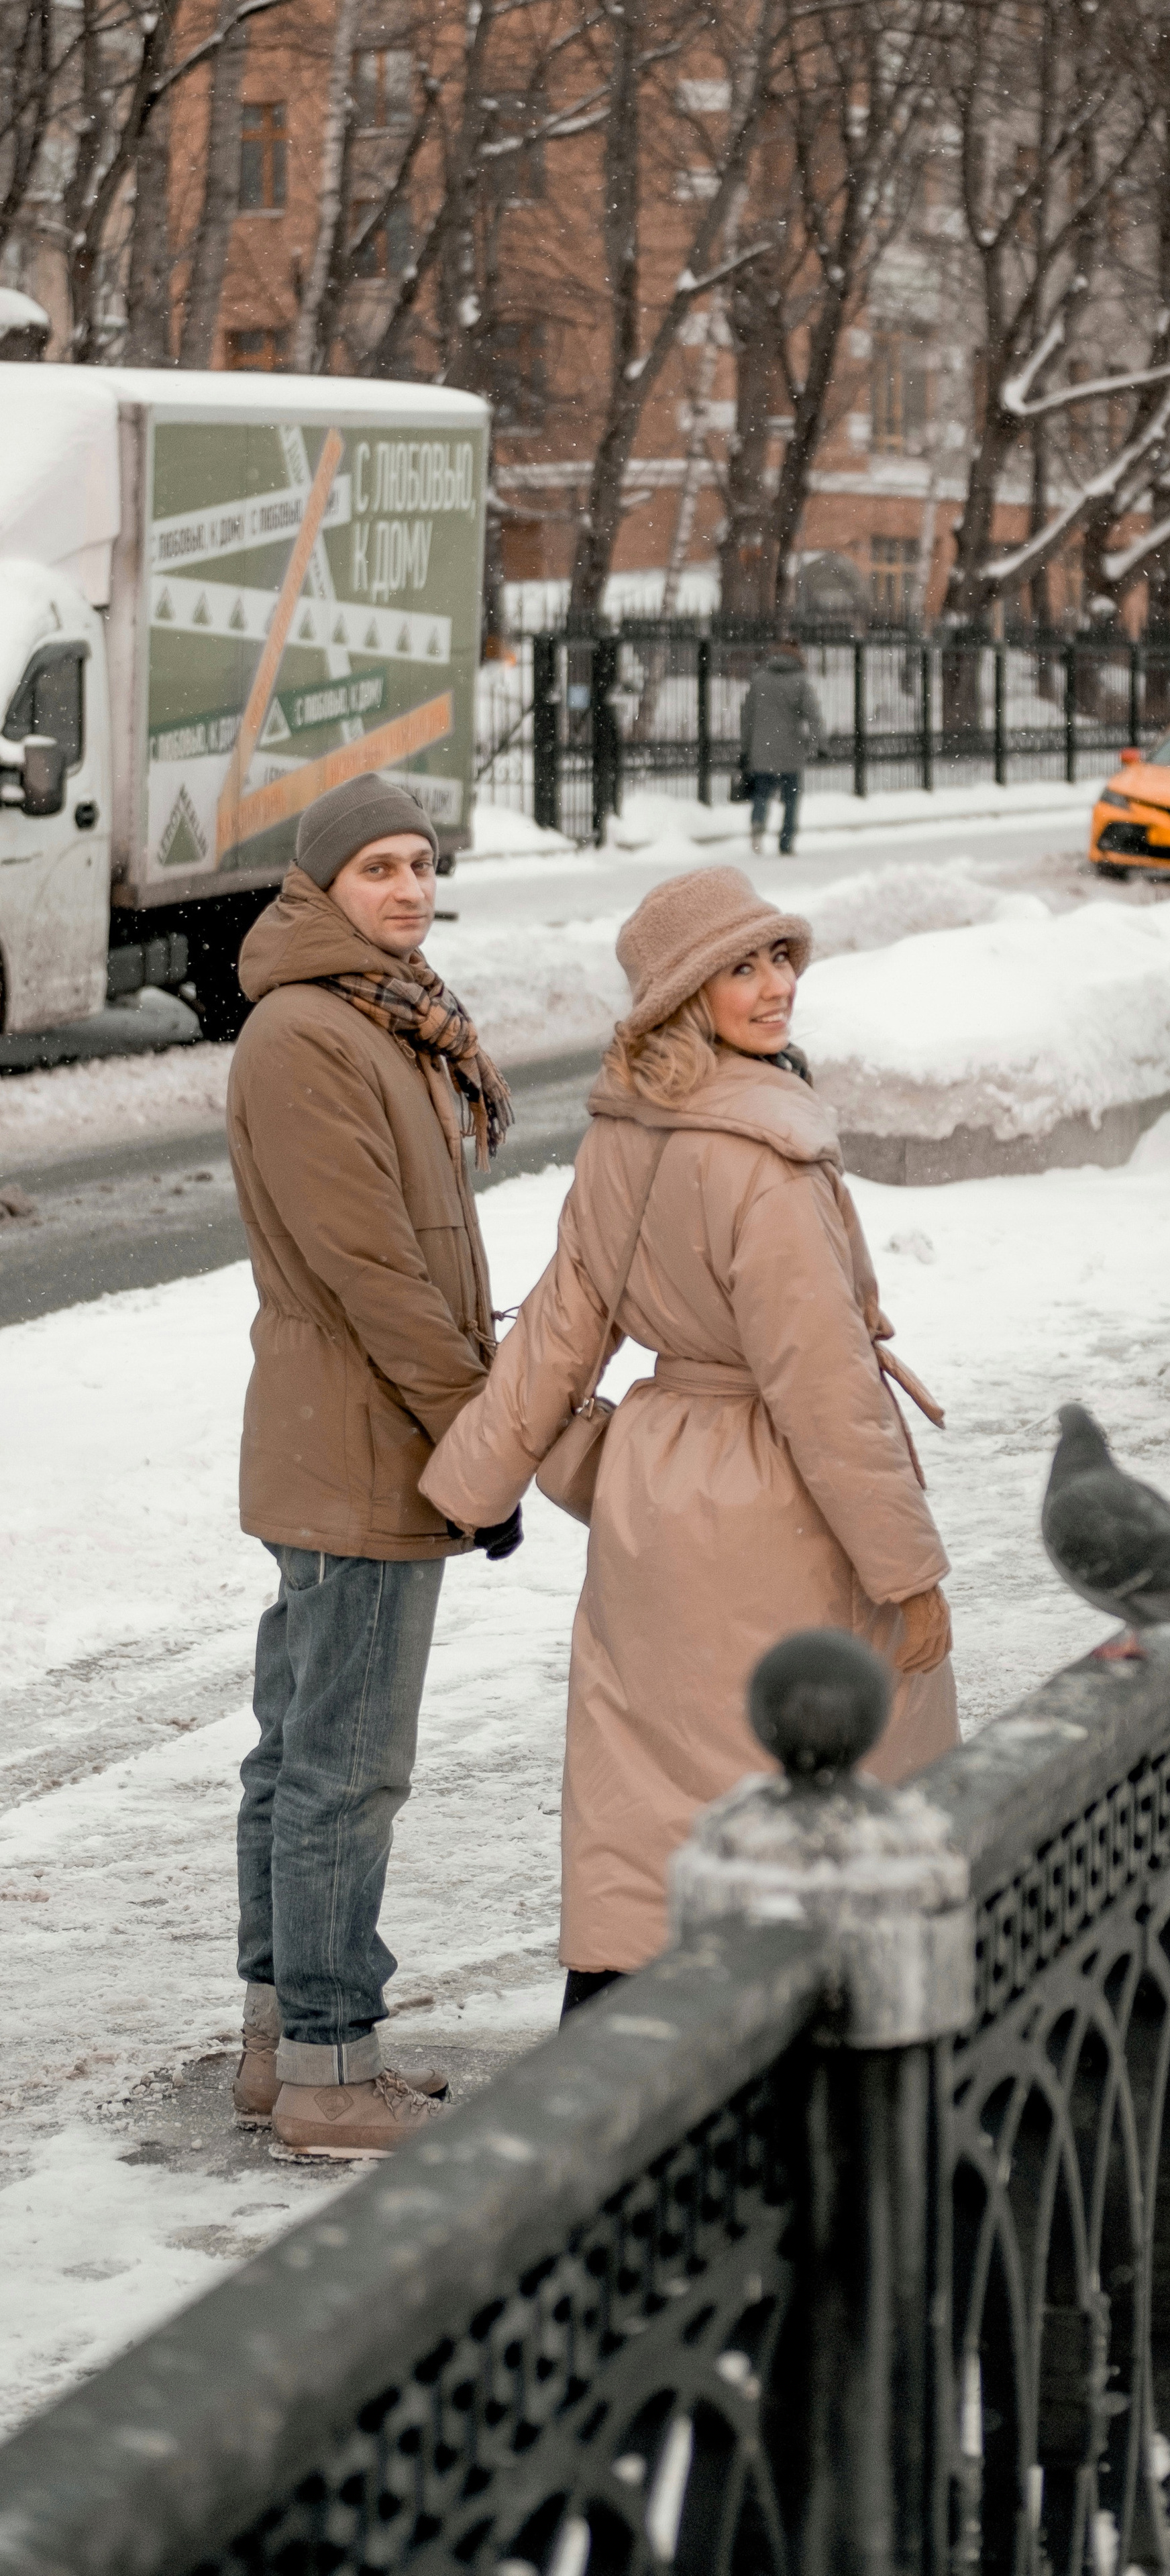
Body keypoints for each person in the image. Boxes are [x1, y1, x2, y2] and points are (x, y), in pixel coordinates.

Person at [422, 865, 957, 2012]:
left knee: (643, 1814)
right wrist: (908, 1574)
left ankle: (611, 2072)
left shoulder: (631, 1126)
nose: (775, 988)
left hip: (656, 1513)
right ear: (681, 993)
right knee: (810, 1803)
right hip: (778, 1515)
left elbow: (565, 1321)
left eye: (779, 960)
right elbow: (824, 1393)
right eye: (740, 968)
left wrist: (477, 1477)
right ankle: (811, 2061)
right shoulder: (761, 1154)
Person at [225, 774, 521, 2159]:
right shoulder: (305, 1034)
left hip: (362, 1429)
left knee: (300, 1751)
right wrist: (481, 1435)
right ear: (321, 886)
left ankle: (281, 2043)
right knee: (343, 1766)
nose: (407, 890)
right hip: (359, 1438)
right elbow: (373, 1272)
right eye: (378, 870)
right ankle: (331, 2072)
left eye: (422, 865)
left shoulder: (379, 1017)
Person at [739, 641, 825, 855]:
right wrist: (820, 743)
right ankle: (786, 841)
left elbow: (747, 717)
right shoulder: (801, 681)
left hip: (761, 749)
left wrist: (745, 749)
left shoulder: (759, 680)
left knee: (761, 793)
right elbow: (813, 715)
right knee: (791, 798)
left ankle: (757, 825)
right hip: (791, 751)